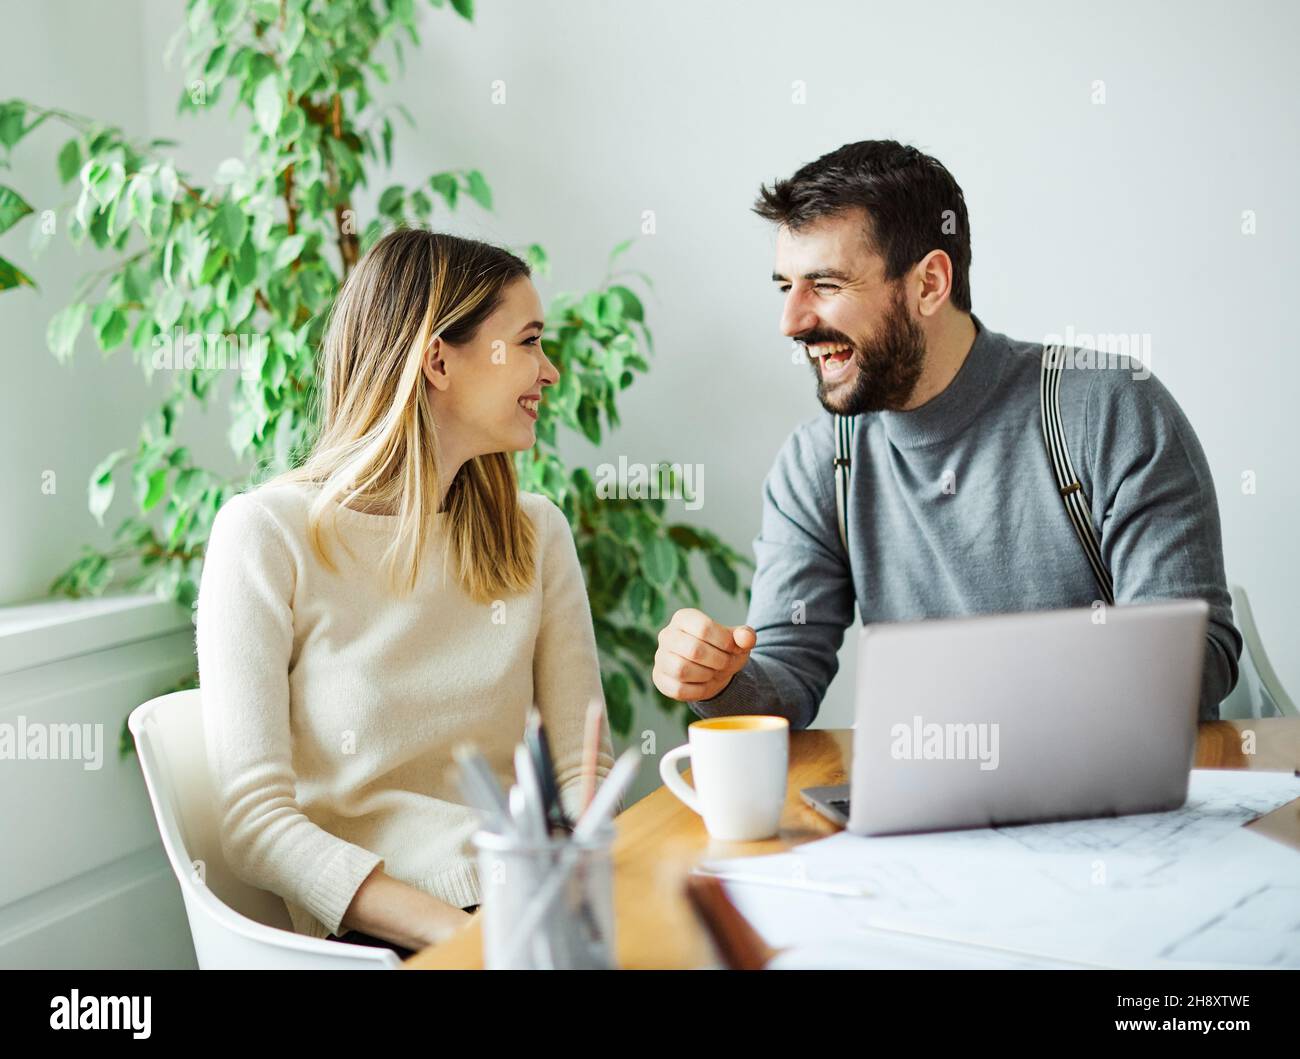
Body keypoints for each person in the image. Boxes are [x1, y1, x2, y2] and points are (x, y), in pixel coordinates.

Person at [652, 140, 1240, 728]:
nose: (792, 322)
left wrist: (999, 694)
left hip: (1123, 796)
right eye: (787, 287)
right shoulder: (820, 463)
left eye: (825, 285)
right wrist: (723, 679)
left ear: (930, 283)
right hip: (932, 800)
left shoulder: (1105, 408)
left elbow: (1201, 657)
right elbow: (786, 678)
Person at [196, 228, 613, 958]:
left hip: (531, 901)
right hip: (381, 935)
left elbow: (582, 767)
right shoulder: (266, 534)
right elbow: (255, 823)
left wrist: (574, 884)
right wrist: (463, 937)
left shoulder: (535, 533)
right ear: (439, 359)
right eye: (529, 341)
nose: (549, 372)